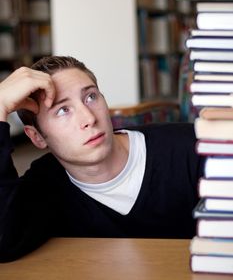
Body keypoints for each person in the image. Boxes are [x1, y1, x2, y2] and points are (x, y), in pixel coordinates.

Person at [0, 55, 203, 262]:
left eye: (90, 97)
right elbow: (4, 243)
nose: (89, 118)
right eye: (63, 110)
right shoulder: (45, 185)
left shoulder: (193, 147)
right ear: (36, 137)